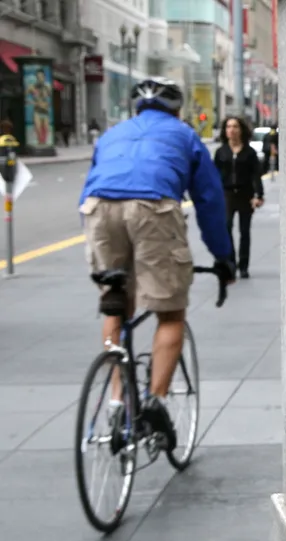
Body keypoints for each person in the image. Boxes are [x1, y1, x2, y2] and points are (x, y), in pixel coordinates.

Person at [78, 77, 236, 451]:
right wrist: (223, 257)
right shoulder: (184, 136)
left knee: (116, 300)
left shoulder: (112, 135)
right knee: (170, 314)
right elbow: (209, 201)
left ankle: (117, 400)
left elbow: (90, 188)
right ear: (177, 110)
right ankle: (154, 403)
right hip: (153, 209)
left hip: (98, 209)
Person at [213, 116, 264, 278]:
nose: (231, 130)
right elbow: (214, 175)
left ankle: (244, 265)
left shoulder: (249, 153)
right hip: (226, 195)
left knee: (244, 231)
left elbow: (256, 175)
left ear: (241, 130)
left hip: (245, 195)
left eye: (235, 127)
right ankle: (231, 263)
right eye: (228, 127)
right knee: (226, 228)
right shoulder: (221, 152)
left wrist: (259, 195)